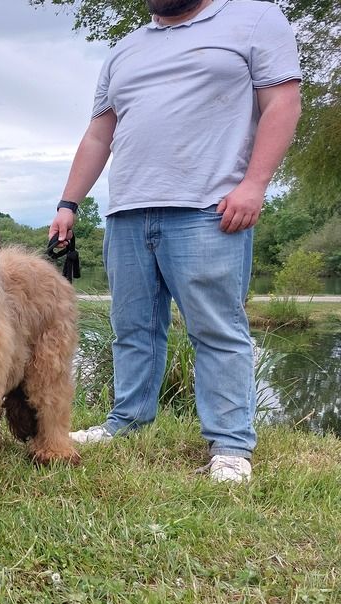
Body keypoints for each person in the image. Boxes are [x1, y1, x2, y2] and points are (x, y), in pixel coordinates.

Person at [49, 0, 301, 483]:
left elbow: (282, 102)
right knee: (133, 329)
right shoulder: (125, 49)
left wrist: (255, 184)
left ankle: (230, 446)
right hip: (126, 211)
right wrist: (68, 203)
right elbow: (100, 135)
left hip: (209, 207)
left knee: (217, 329)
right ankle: (127, 422)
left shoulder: (254, 19)